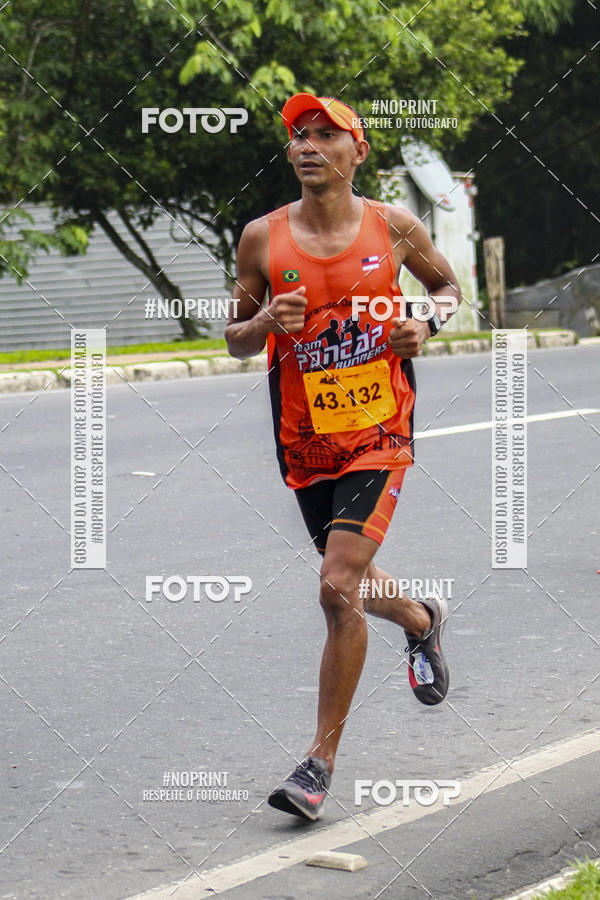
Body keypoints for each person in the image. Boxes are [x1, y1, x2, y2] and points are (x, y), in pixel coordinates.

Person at [225, 92, 462, 821]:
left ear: (358, 152)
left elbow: (449, 287)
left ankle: (316, 764)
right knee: (344, 575)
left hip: (379, 428)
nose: (309, 145)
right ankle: (422, 620)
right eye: (300, 135)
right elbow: (233, 337)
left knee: (335, 585)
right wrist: (266, 318)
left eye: (328, 135)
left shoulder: (394, 227)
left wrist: (425, 321)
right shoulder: (261, 239)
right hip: (303, 436)